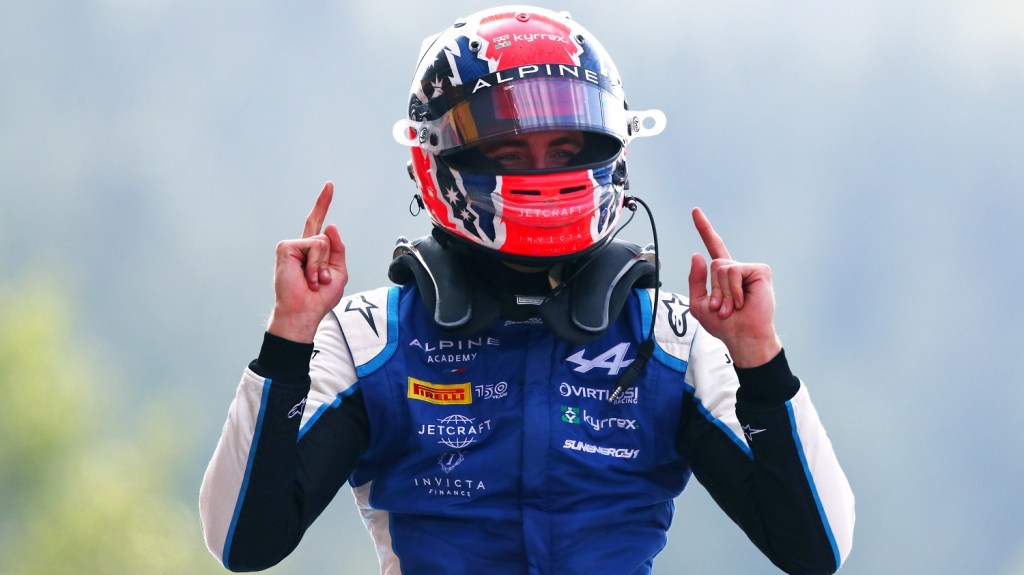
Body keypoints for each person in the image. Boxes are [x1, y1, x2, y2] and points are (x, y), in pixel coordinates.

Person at [199, 5, 855, 574]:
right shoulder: (370, 337)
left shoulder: (672, 339)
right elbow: (242, 542)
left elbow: (816, 548)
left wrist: (759, 357)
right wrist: (289, 337)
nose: (543, 172)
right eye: (509, 152)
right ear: (435, 160)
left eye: (566, 149)